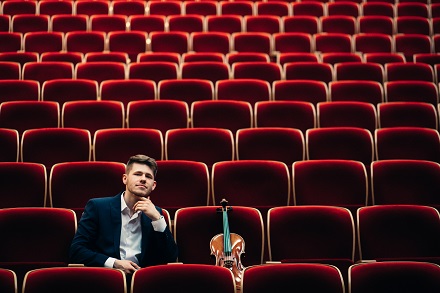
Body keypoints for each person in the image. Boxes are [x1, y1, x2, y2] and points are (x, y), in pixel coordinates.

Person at [69, 154, 178, 275]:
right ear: (125, 179)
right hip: (106, 277)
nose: (143, 179)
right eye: (137, 174)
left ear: (153, 185)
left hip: (143, 281)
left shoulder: (156, 214)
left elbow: (170, 257)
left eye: (148, 176)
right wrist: (114, 263)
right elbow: (77, 251)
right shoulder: (98, 207)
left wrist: (157, 219)